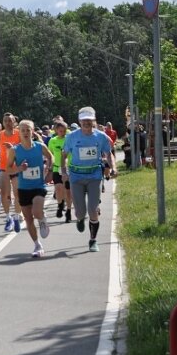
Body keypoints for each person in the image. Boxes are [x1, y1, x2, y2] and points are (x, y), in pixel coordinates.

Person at [62, 107, 116, 252]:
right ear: (79, 121)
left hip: (94, 177)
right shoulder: (72, 137)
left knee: (93, 209)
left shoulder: (101, 136)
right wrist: (63, 170)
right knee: (80, 212)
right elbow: (64, 154)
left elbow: (108, 154)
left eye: (89, 120)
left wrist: (113, 167)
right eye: (83, 120)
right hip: (76, 177)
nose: (86, 122)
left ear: (93, 120)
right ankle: (80, 219)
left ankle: (93, 240)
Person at [7, 120, 54, 257]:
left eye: (28, 130)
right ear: (19, 132)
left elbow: (51, 157)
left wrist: (48, 167)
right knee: (28, 219)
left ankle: (42, 219)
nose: (26, 133)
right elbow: (8, 169)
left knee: (37, 211)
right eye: (23, 130)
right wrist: (19, 168)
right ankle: (37, 245)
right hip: (23, 188)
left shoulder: (40, 146)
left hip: (38, 186)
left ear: (32, 131)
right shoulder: (14, 150)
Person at [0, 112, 21, 233]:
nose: (8, 123)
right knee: (5, 194)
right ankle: (8, 218)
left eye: (10, 120)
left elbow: (24, 148)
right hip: (3, 167)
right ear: (3, 123)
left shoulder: (19, 133)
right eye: (5, 121)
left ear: (14, 122)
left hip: (16, 167)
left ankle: (16, 216)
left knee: (17, 193)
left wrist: (13, 148)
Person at [47, 120, 72, 222]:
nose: (62, 132)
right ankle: (60, 205)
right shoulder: (52, 141)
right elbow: (50, 154)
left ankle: (68, 212)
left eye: (64, 130)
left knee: (68, 191)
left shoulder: (69, 140)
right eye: (60, 130)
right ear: (56, 130)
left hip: (68, 168)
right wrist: (49, 166)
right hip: (57, 168)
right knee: (58, 189)